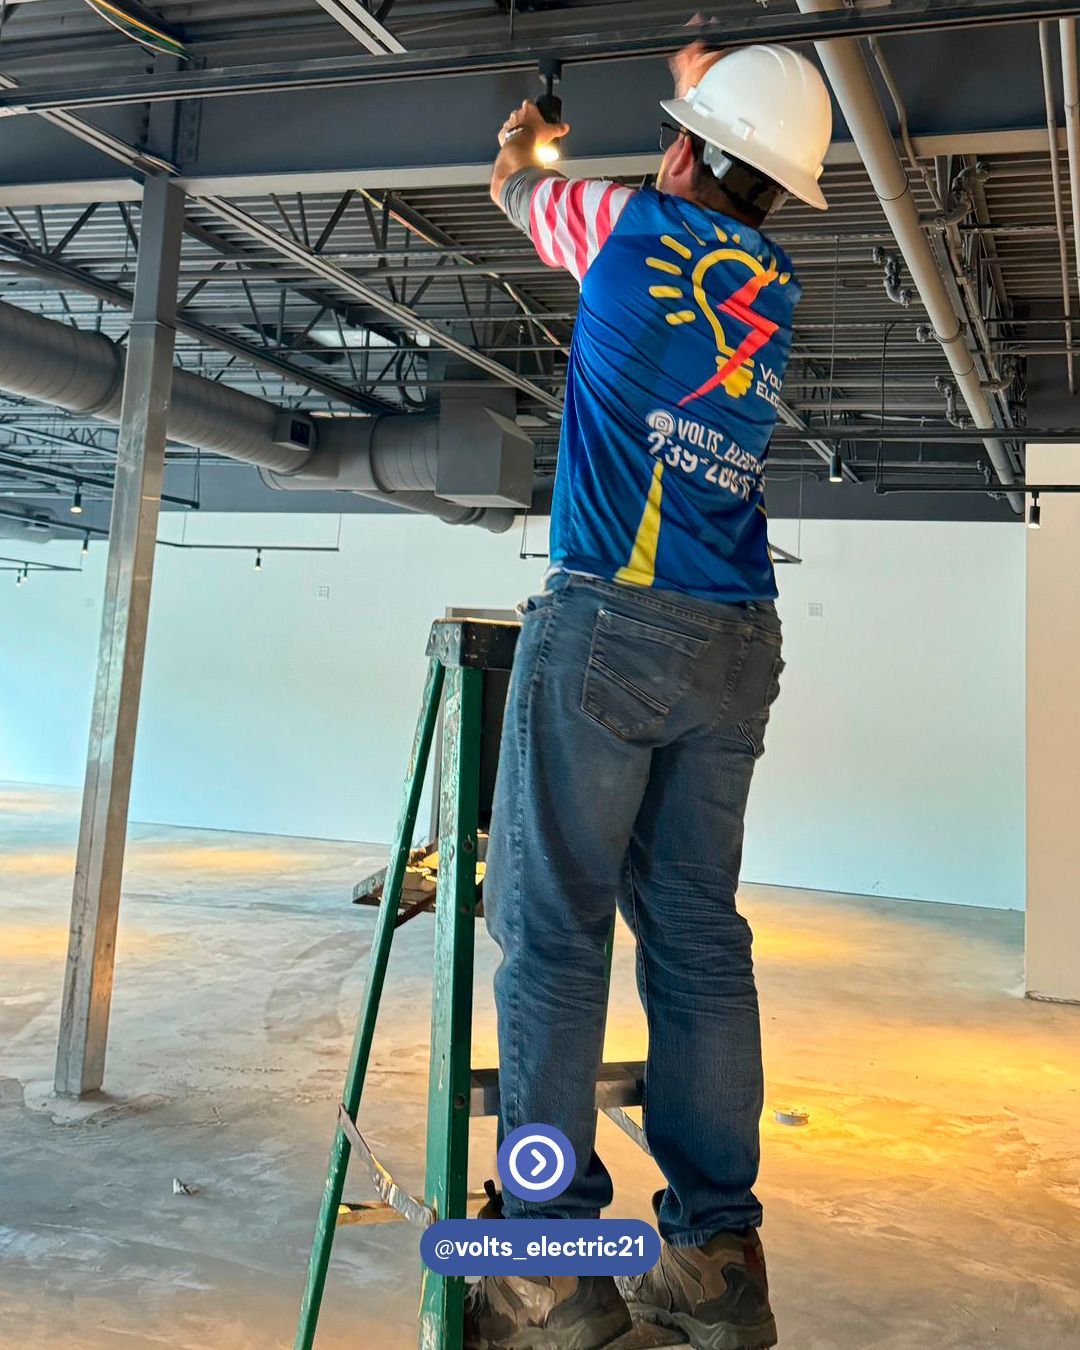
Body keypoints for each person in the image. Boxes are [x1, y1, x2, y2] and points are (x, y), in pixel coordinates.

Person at [465, 40, 833, 1350]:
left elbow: (514, 181)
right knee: (696, 940)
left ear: (679, 154)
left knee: (555, 929)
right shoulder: (774, 278)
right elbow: (717, 185)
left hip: (612, 621)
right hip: (738, 639)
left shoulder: (623, 225)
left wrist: (531, 133)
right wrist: (709, 85)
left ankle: (553, 1257)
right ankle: (718, 1259)